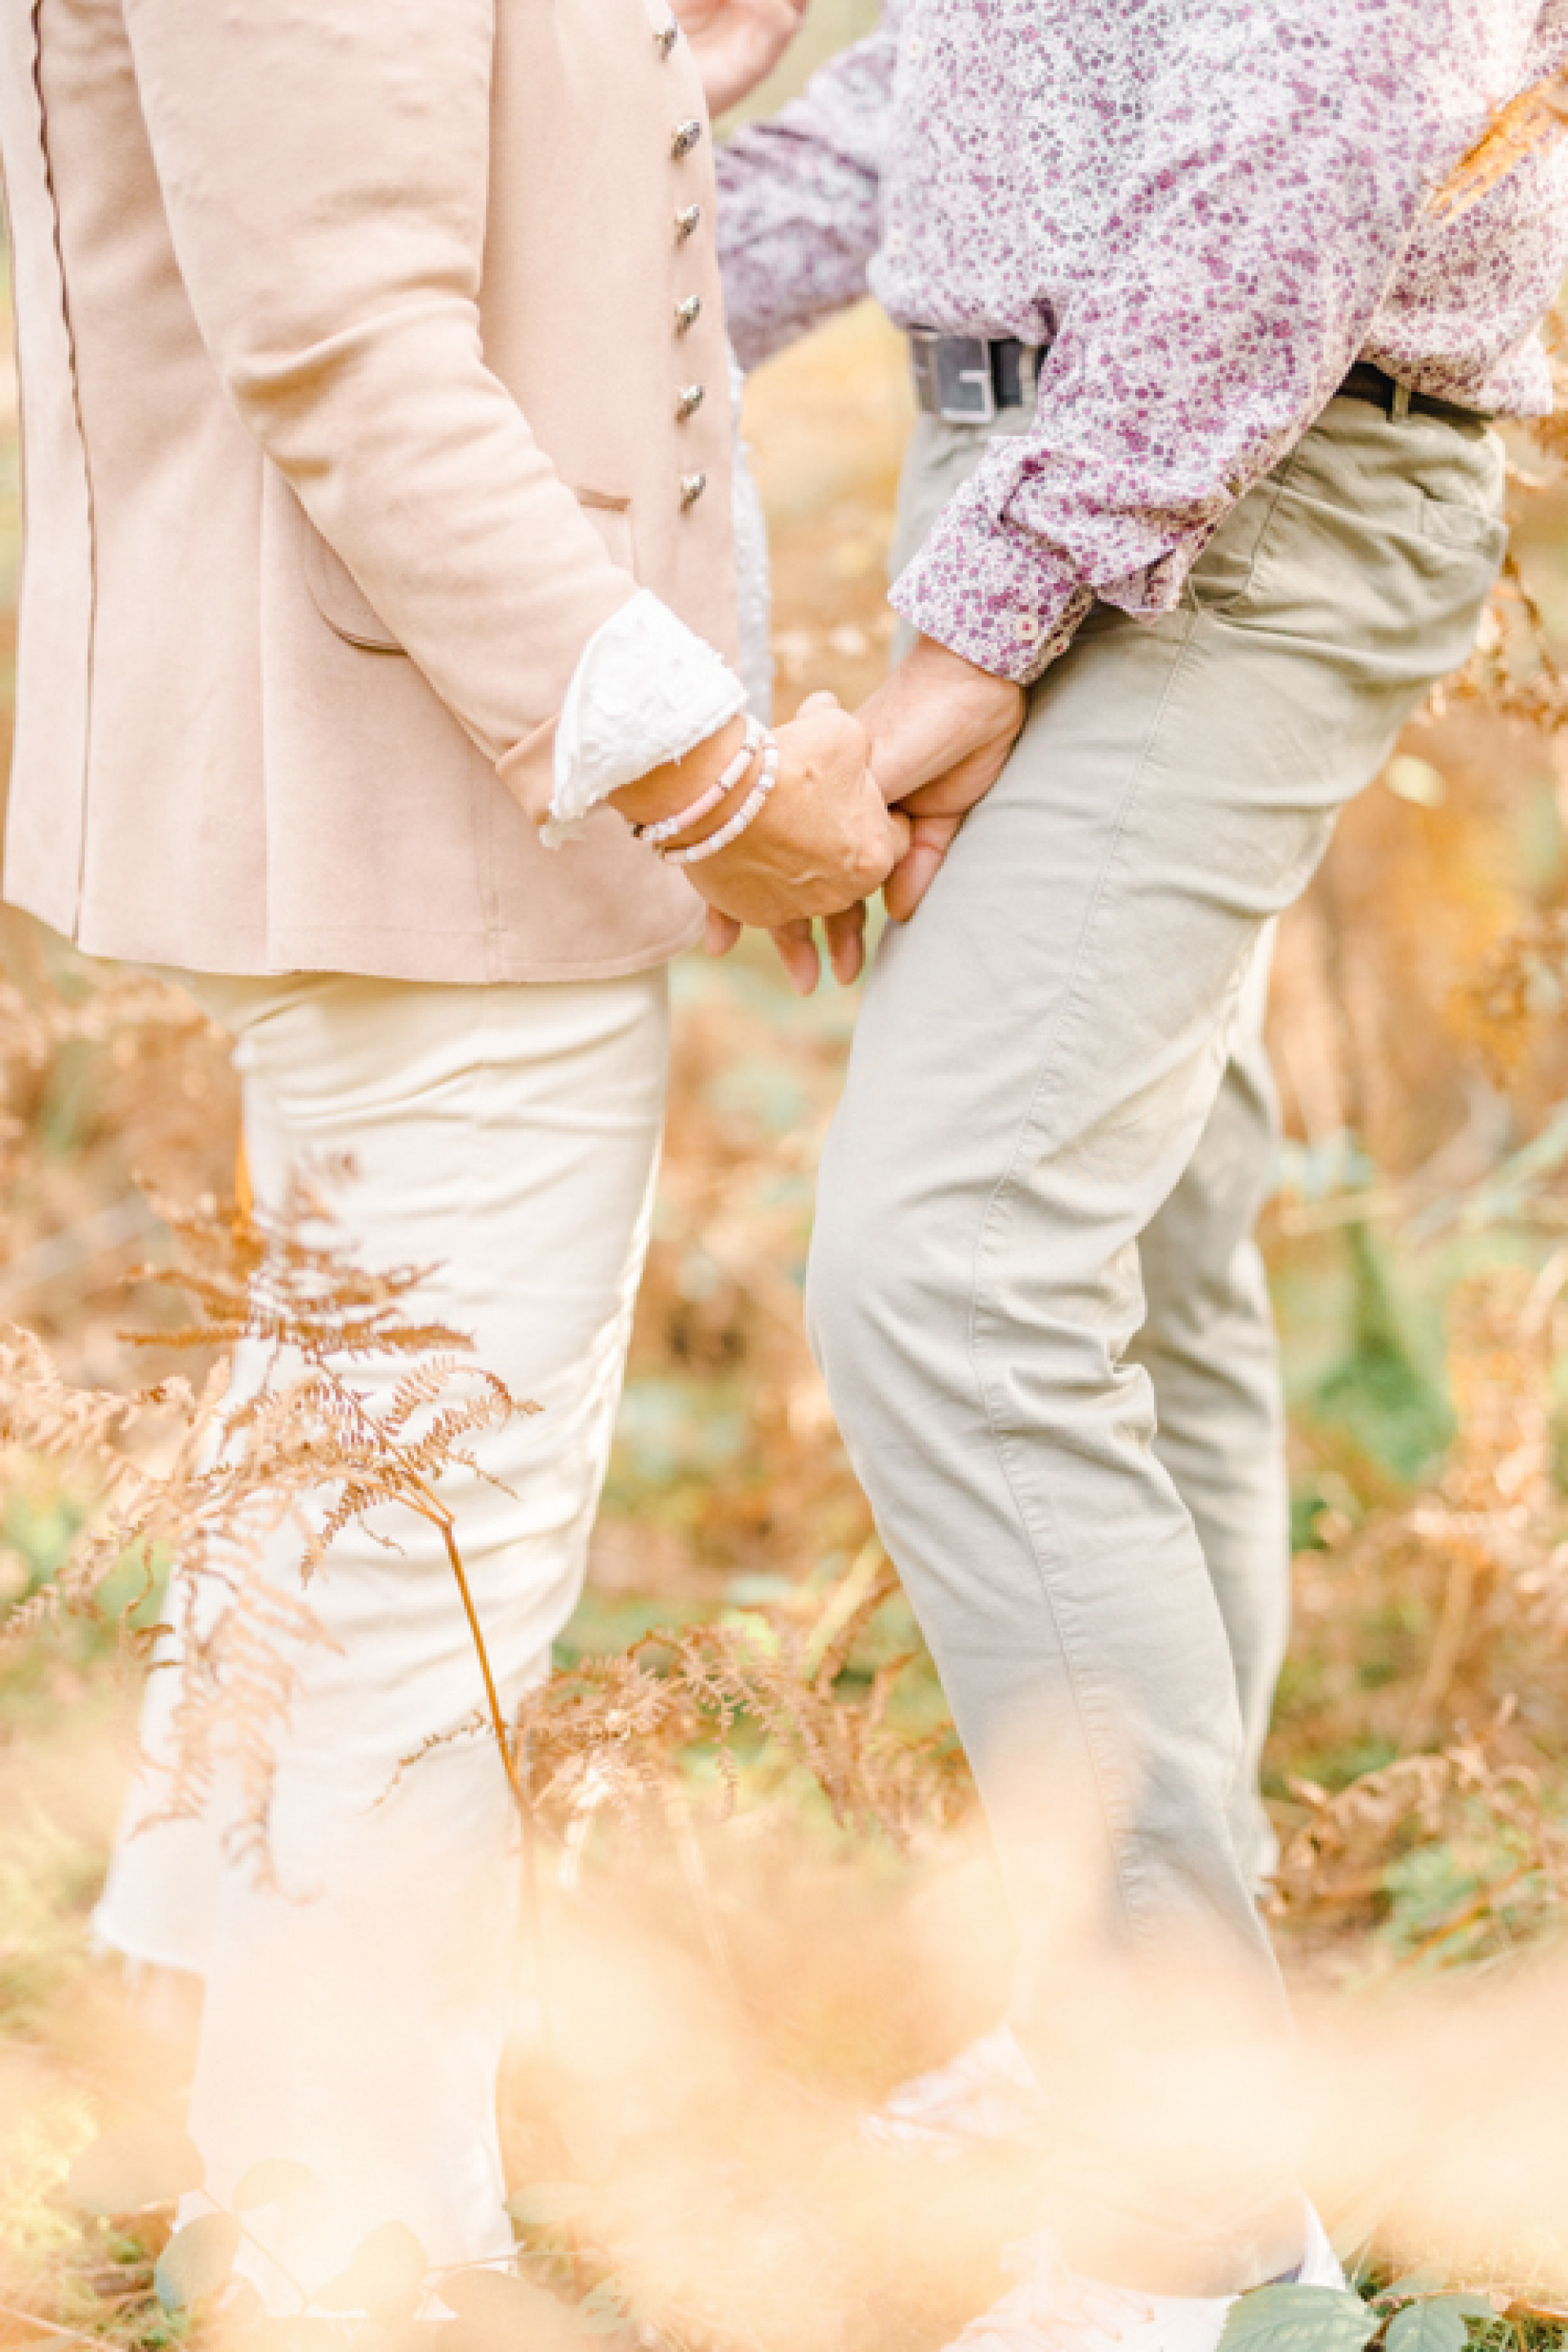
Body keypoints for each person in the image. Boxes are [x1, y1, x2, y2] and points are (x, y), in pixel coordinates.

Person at [0, 0, 895, 2301]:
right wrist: (700, 771)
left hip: (388, 791)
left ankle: (200, 2117)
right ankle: (360, 2251)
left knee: (335, 1468)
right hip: (409, 799)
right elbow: (345, 343)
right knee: (439, 1532)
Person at [710, 2, 1568, 2341]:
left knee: (952, 1266)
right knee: (1143, 1243)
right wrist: (567, 219)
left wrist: (997, 611)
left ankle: (1187, 2185)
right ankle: (1156, 2026)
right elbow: (964, 101)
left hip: (1233, 483)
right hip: (1081, 457)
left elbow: (1318, 119)